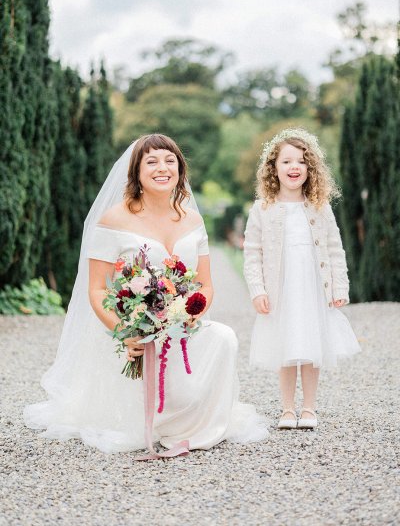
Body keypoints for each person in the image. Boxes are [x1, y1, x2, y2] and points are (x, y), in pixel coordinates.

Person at [24, 134, 267, 453]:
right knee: (153, 392)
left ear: (180, 170)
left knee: (224, 337)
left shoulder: (192, 219)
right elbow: (96, 289)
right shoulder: (114, 218)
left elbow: (206, 285)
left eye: (170, 161)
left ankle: (197, 424)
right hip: (130, 331)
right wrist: (126, 333)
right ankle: (160, 416)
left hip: (181, 328)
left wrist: (186, 316)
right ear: (136, 172)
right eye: (151, 162)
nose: (162, 168)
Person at [243, 128, 360, 430]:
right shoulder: (263, 209)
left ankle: (308, 408)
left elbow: (335, 249)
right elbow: (252, 253)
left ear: (311, 169)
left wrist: (340, 287)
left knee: (311, 347)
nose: (294, 167)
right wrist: (257, 290)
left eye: (301, 162)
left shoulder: (319, 208)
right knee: (286, 347)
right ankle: (286, 409)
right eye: (286, 161)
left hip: (312, 288)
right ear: (274, 168)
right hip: (281, 289)